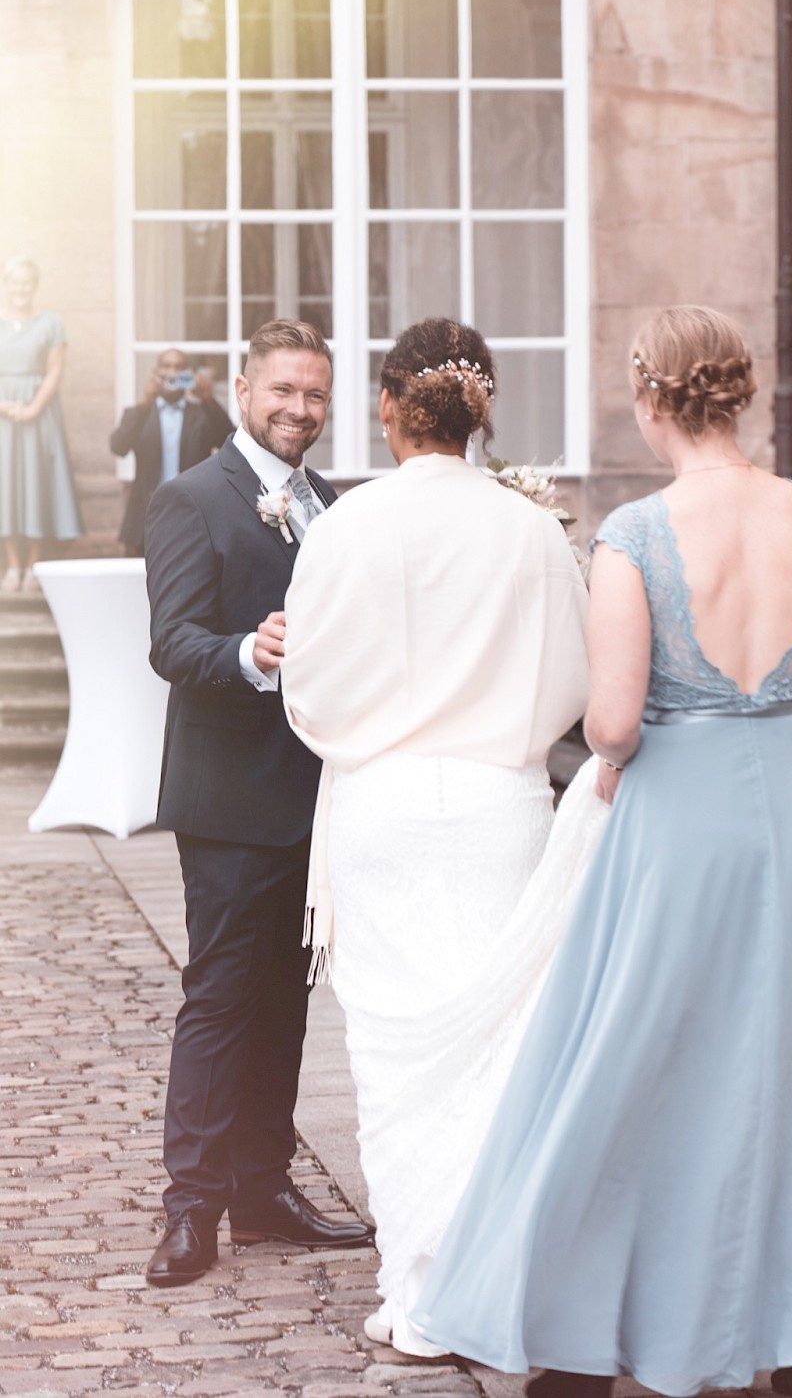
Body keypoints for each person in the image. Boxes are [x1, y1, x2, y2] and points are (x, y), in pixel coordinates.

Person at [412, 306, 792, 1398]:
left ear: (652, 399)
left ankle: (585, 1336)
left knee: (632, 1059)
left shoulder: (635, 534)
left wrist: (630, 748)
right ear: (734, 394)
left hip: (678, 821)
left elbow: (610, 723)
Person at [280, 317, 595, 1355]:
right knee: (502, 1051)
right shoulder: (531, 531)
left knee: (393, 1060)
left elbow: (311, 700)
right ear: (483, 411)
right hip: (504, 809)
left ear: (385, 405)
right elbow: (573, 689)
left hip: (381, 810)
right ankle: (500, 1277)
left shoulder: (345, 529)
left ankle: (418, 1298)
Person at [143, 318, 372, 1289]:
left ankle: (263, 1189)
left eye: (315, 395)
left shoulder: (329, 502)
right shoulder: (191, 498)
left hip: (313, 799)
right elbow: (172, 643)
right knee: (222, 997)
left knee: (286, 1000)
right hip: (230, 798)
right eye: (283, 391)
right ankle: (189, 1206)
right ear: (242, 391)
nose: (299, 410)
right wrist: (249, 651)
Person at [0, 255, 82, 592]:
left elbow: (54, 371)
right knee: (6, 488)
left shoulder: (50, 322)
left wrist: (33, 407)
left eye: (26, 283)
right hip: (3, 414)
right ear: (6, 284)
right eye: (14, 282)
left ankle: (34, 564)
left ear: (34, 286)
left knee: (35, 485)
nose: (20, 288)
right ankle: (12, 566)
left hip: (38, 412)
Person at [110, 348, 234, 555]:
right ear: (156, 373)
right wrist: (145, 401)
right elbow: (118, 446)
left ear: (190, 374)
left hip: (192, 514)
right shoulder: (139, 413)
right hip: (144, 516)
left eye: (179, 368)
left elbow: (231, 443)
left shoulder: (203, 415)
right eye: (166, 367)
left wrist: (208, 399)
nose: (172, 372)